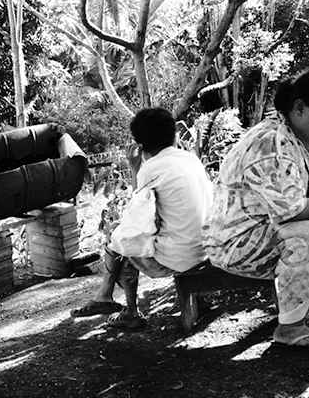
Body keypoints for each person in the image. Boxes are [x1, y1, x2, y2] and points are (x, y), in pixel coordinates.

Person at [202, 64, 309, 352]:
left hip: (278, 231)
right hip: (236, 242)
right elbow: (293, 211)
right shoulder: (269, 142)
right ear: (300, 108)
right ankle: (289, 328)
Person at [71, 107, 213, 328]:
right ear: (174, 135)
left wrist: (134, 167)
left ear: (140, 144)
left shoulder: (152, 168)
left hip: (180, 257)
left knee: (117, 238)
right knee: (121, 237)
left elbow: (136, 219)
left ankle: (127, 311)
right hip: (204, 249)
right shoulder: (190, 159)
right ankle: (106, 296)